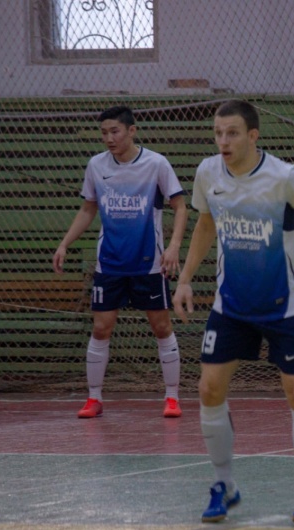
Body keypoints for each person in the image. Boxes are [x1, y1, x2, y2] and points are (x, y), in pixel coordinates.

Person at [173, 99, 294, 525]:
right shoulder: (208, 173)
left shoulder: (284, 177)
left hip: (284, 305)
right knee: (209, 389)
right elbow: (206, 223)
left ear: (252, 135)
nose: (223, 141)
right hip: (231, 304)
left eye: (231, 133)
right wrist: (185, 278)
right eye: (217, 133)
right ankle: (224, 485)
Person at [53, 105, 188, 419]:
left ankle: (171, 397)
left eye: (115, 131)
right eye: (104, 133)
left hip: (148, 263)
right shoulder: (96, 165)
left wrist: (174, 247)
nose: (109, 138)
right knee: (101, 328)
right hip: (110, 263)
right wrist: (64, 243)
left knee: (161, 327)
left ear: (131, 130)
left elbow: (180, 207)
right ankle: (94, 398)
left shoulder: (156, 164)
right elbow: (88, 209)